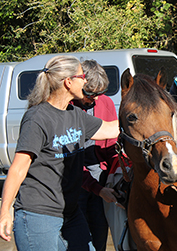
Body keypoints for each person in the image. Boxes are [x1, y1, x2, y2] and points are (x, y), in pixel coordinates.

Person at [0, 55, 119, 251]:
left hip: (70, 213)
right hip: (38, 215)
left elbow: (112, 129)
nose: (86, 81)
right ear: (68, 82)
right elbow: (18, 169)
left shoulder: (75, 114)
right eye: (82, 76)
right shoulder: (37, 118)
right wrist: (5, 211)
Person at [71, 59, 123, 251]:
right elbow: (71, 160)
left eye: (99, 94)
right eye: (90, 94)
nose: (94, 99)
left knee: (99, 233)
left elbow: (111, 147)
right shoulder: (68, 107)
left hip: (99, 177)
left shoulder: (105, 102)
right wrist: (94, 187)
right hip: (76, 179)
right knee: (78, 236)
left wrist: (114, 173)